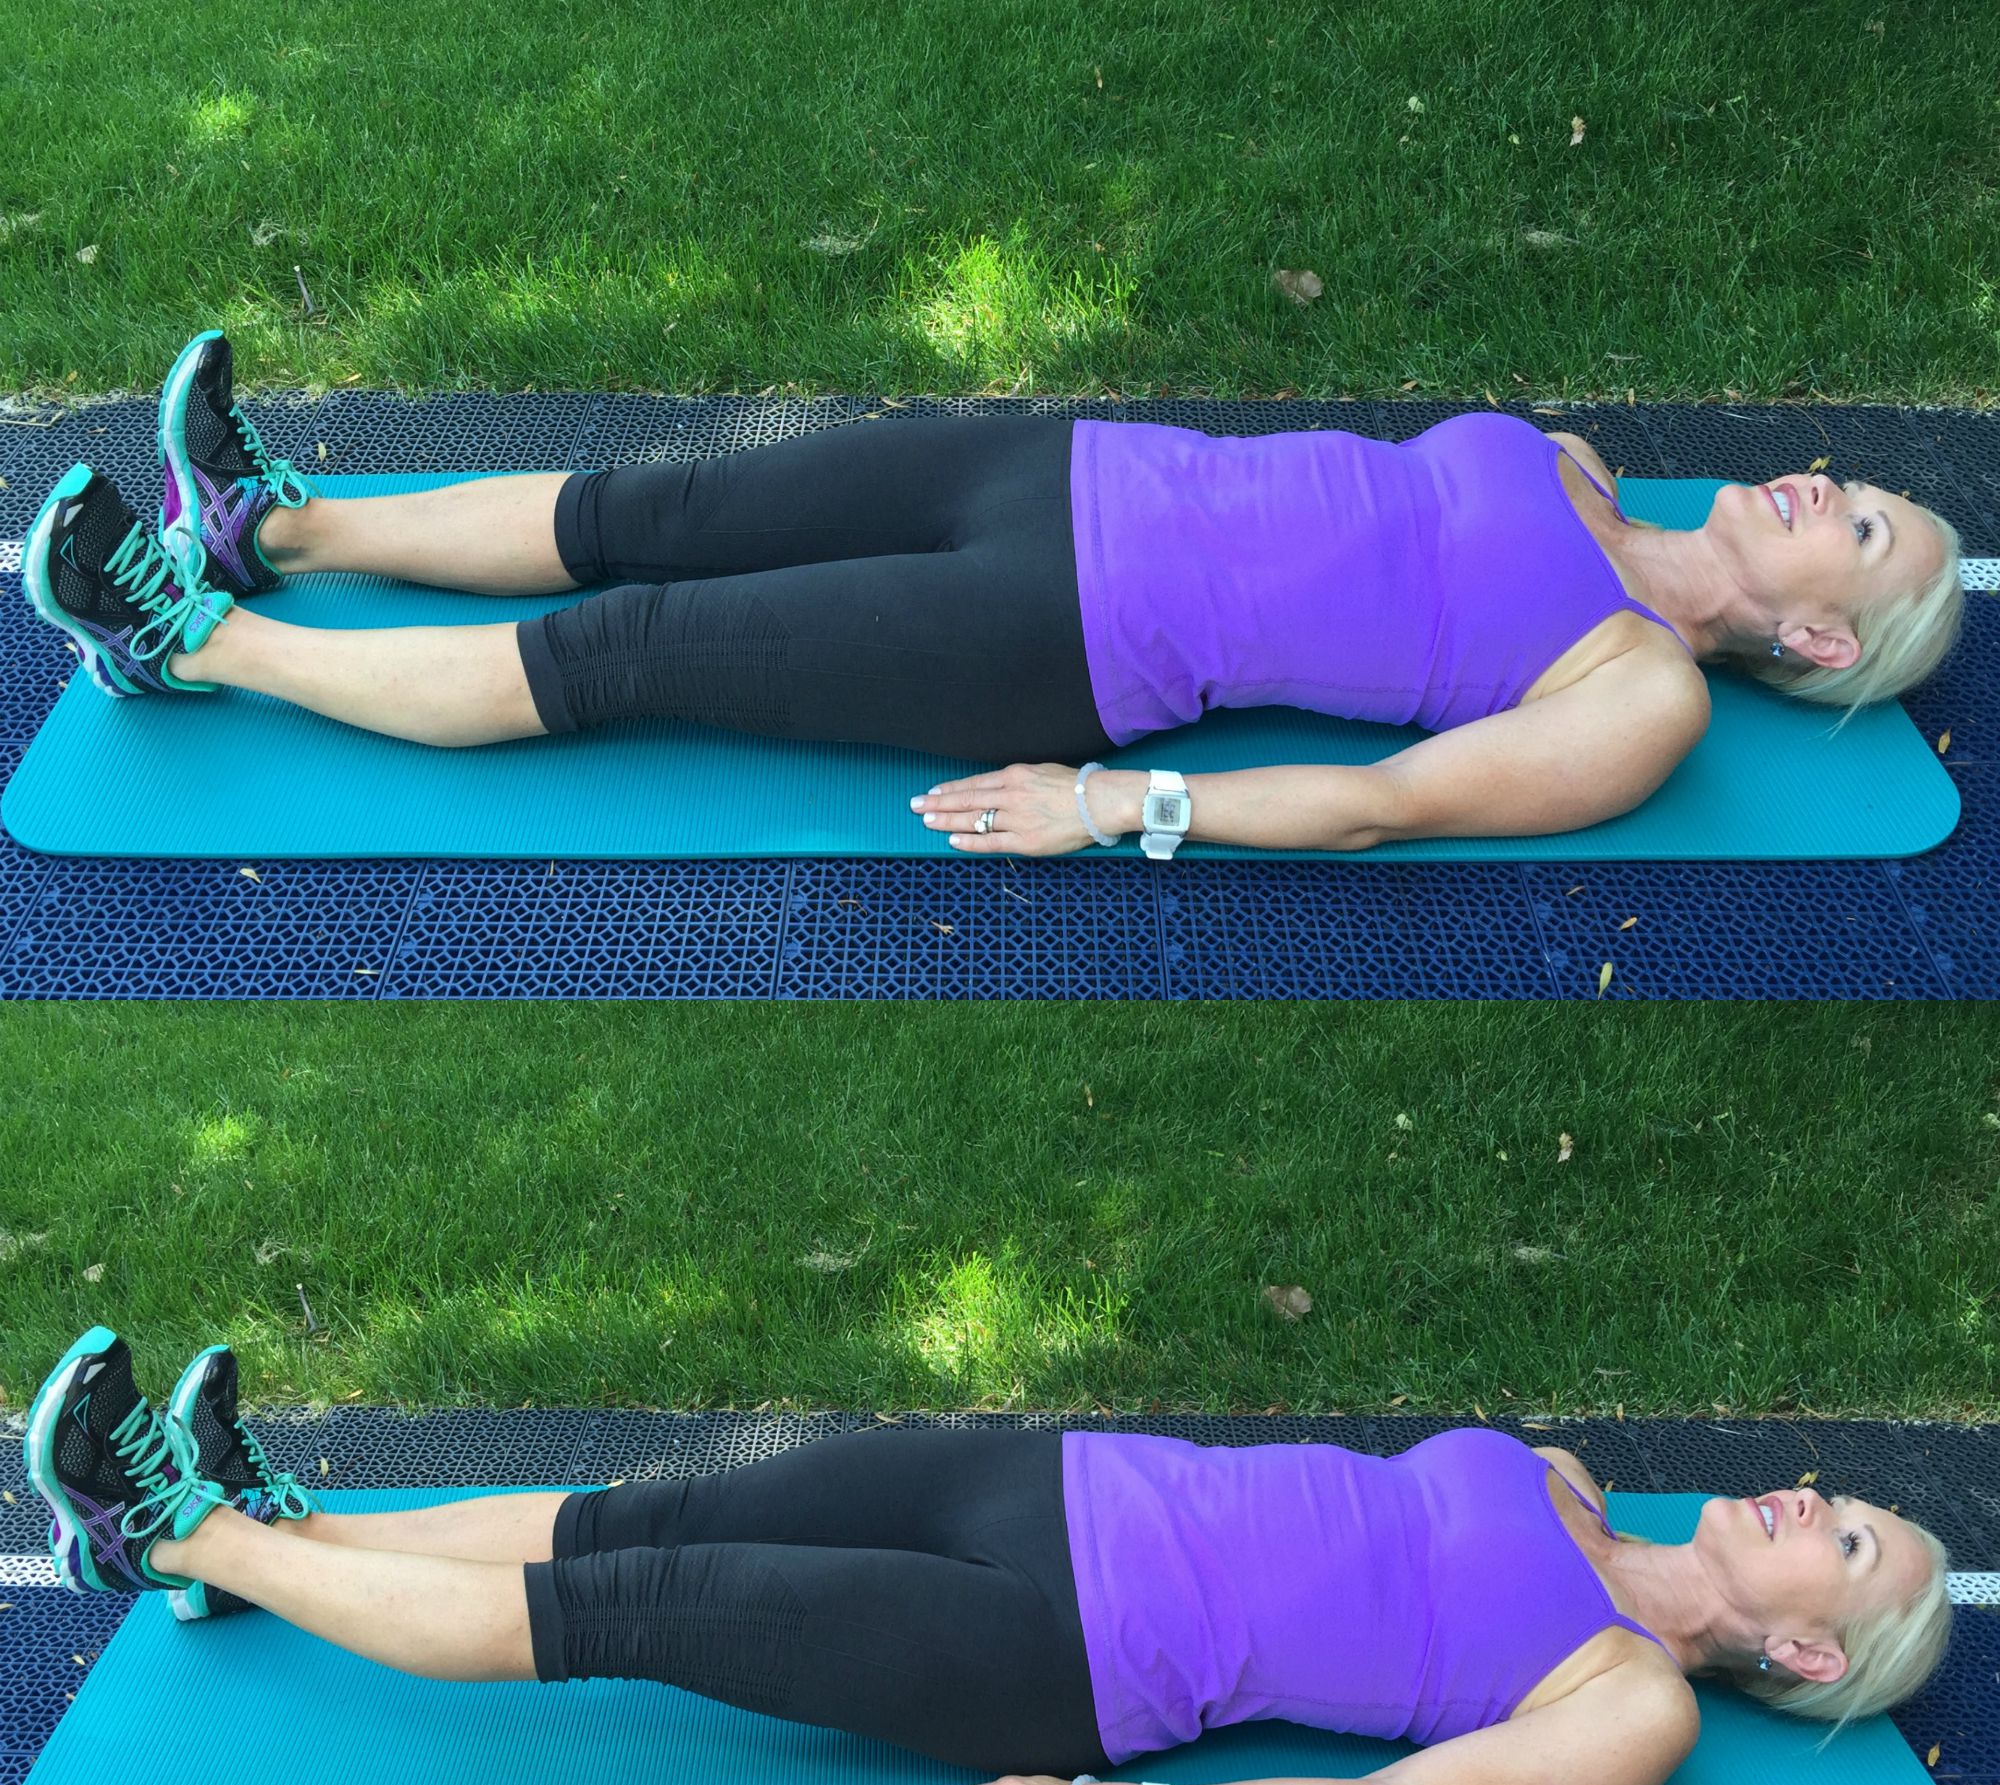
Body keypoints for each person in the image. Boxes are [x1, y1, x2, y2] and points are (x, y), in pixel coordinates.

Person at [27, 1328, 1952, 1785]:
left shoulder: (1632, 1704)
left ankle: (169, 1533)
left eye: (1843, 1541)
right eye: (1849, 1503)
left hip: (1064, 1660)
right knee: (624, 1520)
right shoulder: (1570, 1482)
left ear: (1802, 1649)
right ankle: (294, 1531)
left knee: (632, 1609)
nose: (1813, 1500)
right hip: (1044, 1483)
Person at [21, 332, 1963, 858]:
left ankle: (184, 635)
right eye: (1858, 490)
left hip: (1064, 647)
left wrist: (1122, 807)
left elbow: (1385, 804)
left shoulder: (1640, 691)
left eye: (1852, 532)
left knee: (628, 655)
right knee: (650, 515)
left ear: (1814, 638)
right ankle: (280, 525)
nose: (1822, 488)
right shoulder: (1575, 470)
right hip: (1055, 468)